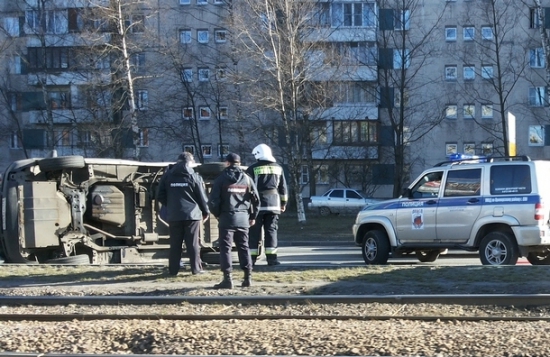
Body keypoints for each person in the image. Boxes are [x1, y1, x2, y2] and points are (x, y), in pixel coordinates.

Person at [208, 153, 260, 289]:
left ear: (227, 163)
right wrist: (253, 216)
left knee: (225, 249)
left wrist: (218, 214)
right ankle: (247, 278)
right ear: (239, 163)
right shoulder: (247, 179)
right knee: (244, 247)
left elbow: (213, 201)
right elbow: (256, 200)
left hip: (226, 218)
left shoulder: (221, 179)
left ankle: (227, 279)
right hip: (243, 218)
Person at [157, 152, 210, 276]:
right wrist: (205, 211)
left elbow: (160, 195)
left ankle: (173, 270)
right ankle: (196, 269)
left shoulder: (167, 176)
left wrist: (170, 205)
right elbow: (201, 196)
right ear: (190, 162)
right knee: (193, 243)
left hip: (174, 215)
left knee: (175, 243)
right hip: (192, 215)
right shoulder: (194, 176)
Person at [246, 143, 288, 266]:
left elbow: (248, 188)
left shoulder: (252, 169)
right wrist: (283, 203)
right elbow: (283, 188)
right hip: (274, 205)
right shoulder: (278, 168)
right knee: (271, 232)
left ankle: (251, 259)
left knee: (254, 232)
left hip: (257, 205)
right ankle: (272, 259)